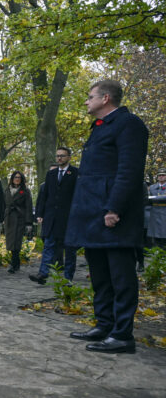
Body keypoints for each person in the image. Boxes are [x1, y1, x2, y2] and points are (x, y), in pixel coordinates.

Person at [66, 79, 149, 354]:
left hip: (113, 214)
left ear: (105, 98)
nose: (86, 101)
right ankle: (104, 324)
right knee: (99, 274)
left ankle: (122, 334)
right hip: (92, 213)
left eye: (90, 97)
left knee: (121, 276)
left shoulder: (129, 125)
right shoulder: (100, 127)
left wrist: (114, 208)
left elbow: (129, 171)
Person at [29, 147, 78, 285]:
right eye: (57, 156)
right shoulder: (51, 174)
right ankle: (43, 274)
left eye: (62, 156)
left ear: (69, 157)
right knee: (48, 246)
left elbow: (79, 195)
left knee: (69, 249)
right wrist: (40, 214)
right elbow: (45, 196)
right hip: (51, 217)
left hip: (68, 218)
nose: (59, 158)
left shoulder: (75, 173)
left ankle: (68, 277)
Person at [3, 171, 33, 274]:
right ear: (12, 178)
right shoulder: (7, 190)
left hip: (20, 218)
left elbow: (29, 207)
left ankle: (13, 263)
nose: (17, 179)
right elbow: (3, 204)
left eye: (19, 177)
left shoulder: (25, 191)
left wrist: (29, 223)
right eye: (15, 177)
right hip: (9, 218)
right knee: (10, 241)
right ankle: (16, 262)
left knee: (17, 241)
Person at [147, 169, 166, 249]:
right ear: (157, 177)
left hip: (165, 211)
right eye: (159, 175)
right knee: (155, 234)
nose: (161, 177)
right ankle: (157, 252)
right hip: (155, 212)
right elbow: (147, 198)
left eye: (163, 175)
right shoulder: (152, 187)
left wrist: (154, 198)